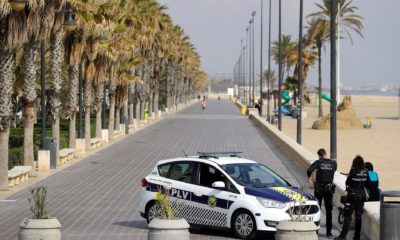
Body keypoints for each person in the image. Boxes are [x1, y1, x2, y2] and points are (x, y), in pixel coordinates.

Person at [335, 156, 369, 240]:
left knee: (348, 216)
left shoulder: (353, 171)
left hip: (353, 196)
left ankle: (343, 236)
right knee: (358, 216)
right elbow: (367, 183)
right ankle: (357, 237)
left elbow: (347, 182)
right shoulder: (366, 171)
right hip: (362, 196)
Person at [307, 148, 337, 237]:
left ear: (319, 156)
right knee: (329, 211)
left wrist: (310, 178)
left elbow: (309, 170)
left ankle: (316, 230)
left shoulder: (319, 162)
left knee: (317, 209)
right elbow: (334, 171)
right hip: (329, 189)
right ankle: (328, 232)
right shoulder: (333, 163)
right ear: (326, 153)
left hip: (319, 188)